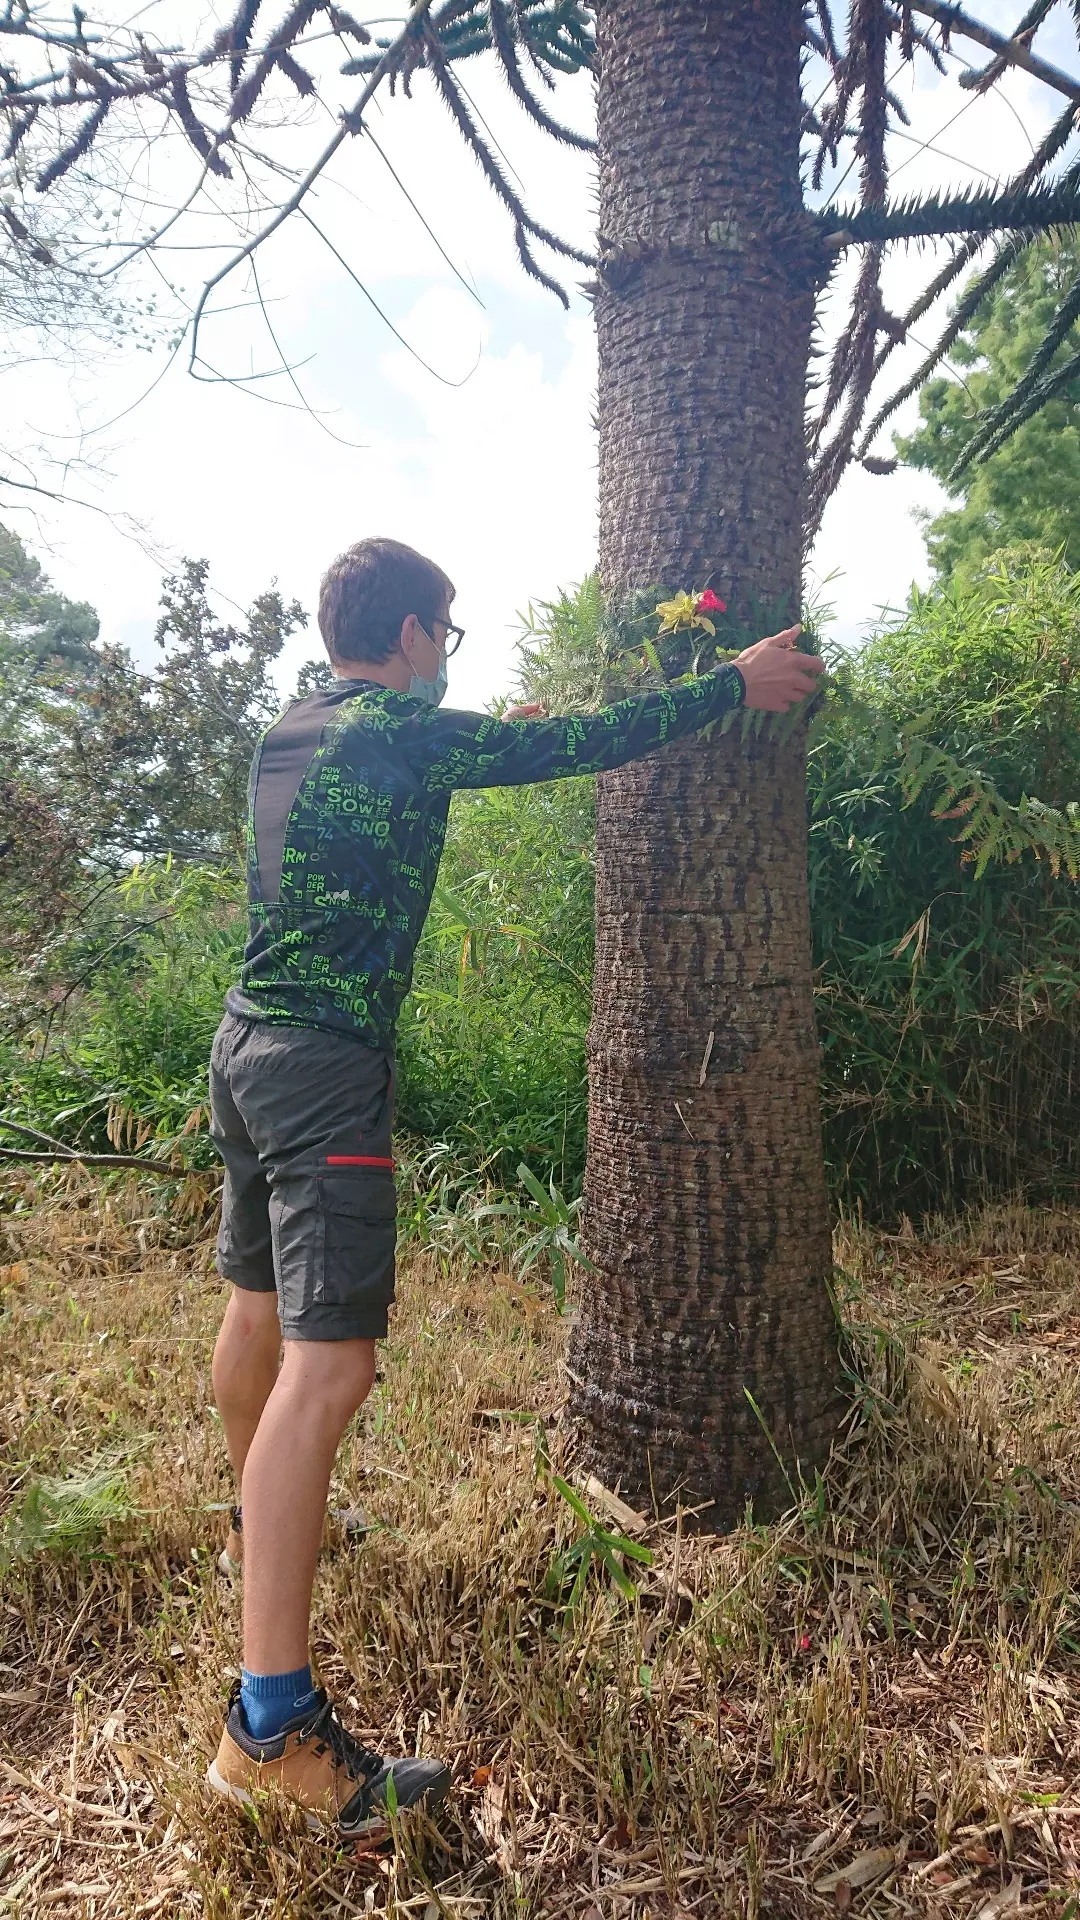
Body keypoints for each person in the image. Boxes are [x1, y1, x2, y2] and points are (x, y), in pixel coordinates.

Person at [204, 535, 825, 1841]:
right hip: (325, 1072)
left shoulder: (296, 728)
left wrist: (477, 724)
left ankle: (266, 1520)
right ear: (419, 635)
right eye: (454, 635)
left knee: (254, 1316)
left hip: (244, 1048)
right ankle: (270, 1725)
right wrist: (734, 680)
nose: (453, 656)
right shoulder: (411, 737)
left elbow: (434, 762)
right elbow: (587, 745)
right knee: (338, 1368)